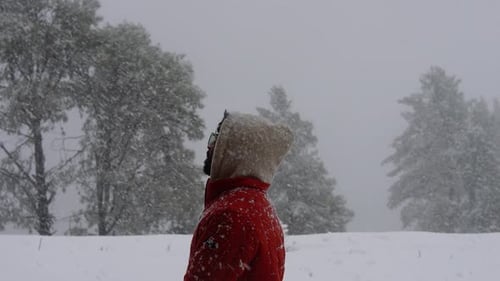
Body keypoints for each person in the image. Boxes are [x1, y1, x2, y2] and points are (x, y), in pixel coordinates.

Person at [184, 111, 293, 281]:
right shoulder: (257, 205)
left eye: (217, 140)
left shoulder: (232, 215)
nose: (209, 145)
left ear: (234, 151)